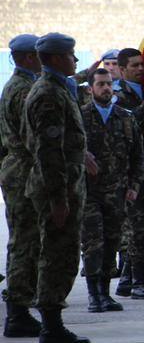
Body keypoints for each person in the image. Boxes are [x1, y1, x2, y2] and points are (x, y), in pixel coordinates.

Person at [24, 32, 90, 342]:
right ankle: (51, 325)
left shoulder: (60, 88)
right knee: (56, 254)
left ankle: (52, 322)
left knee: (63, 252)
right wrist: (58, 199)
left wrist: (83, 156)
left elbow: (65, 141)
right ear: (52, 59)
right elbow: (48, 152)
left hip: (67, 184)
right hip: (58, 188)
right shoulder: (48, 94)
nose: (75, 61)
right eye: (69, 56)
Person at [80, 68, 144, 312]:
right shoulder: (80, 117)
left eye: (109, 84)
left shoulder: (125, 118)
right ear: (90, 89)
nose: (106, 88)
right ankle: (93, 295)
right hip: (88, 193)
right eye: (101, 84)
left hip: (117, 194)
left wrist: (134, 186)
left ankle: (105, 294)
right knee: (93, 244)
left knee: (111, 243)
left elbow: (139, 157)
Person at [0, 34, 42, 338]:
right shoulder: (24, 89)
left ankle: (20, 309)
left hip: (20, 169)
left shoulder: (18, 85)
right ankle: (17, 312)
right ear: (29, 57)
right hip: (25, 172)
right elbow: (33, 138)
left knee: (26, 241)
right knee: (25, 243)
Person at [113, 48, 144, 299]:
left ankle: (126, 279)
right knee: (136, 225)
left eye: (143, 64)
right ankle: (138, 282)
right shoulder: (117, 93)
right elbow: (128, 123)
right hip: (130, 170)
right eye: (135, 66)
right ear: (122, 69)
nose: (141, 69)